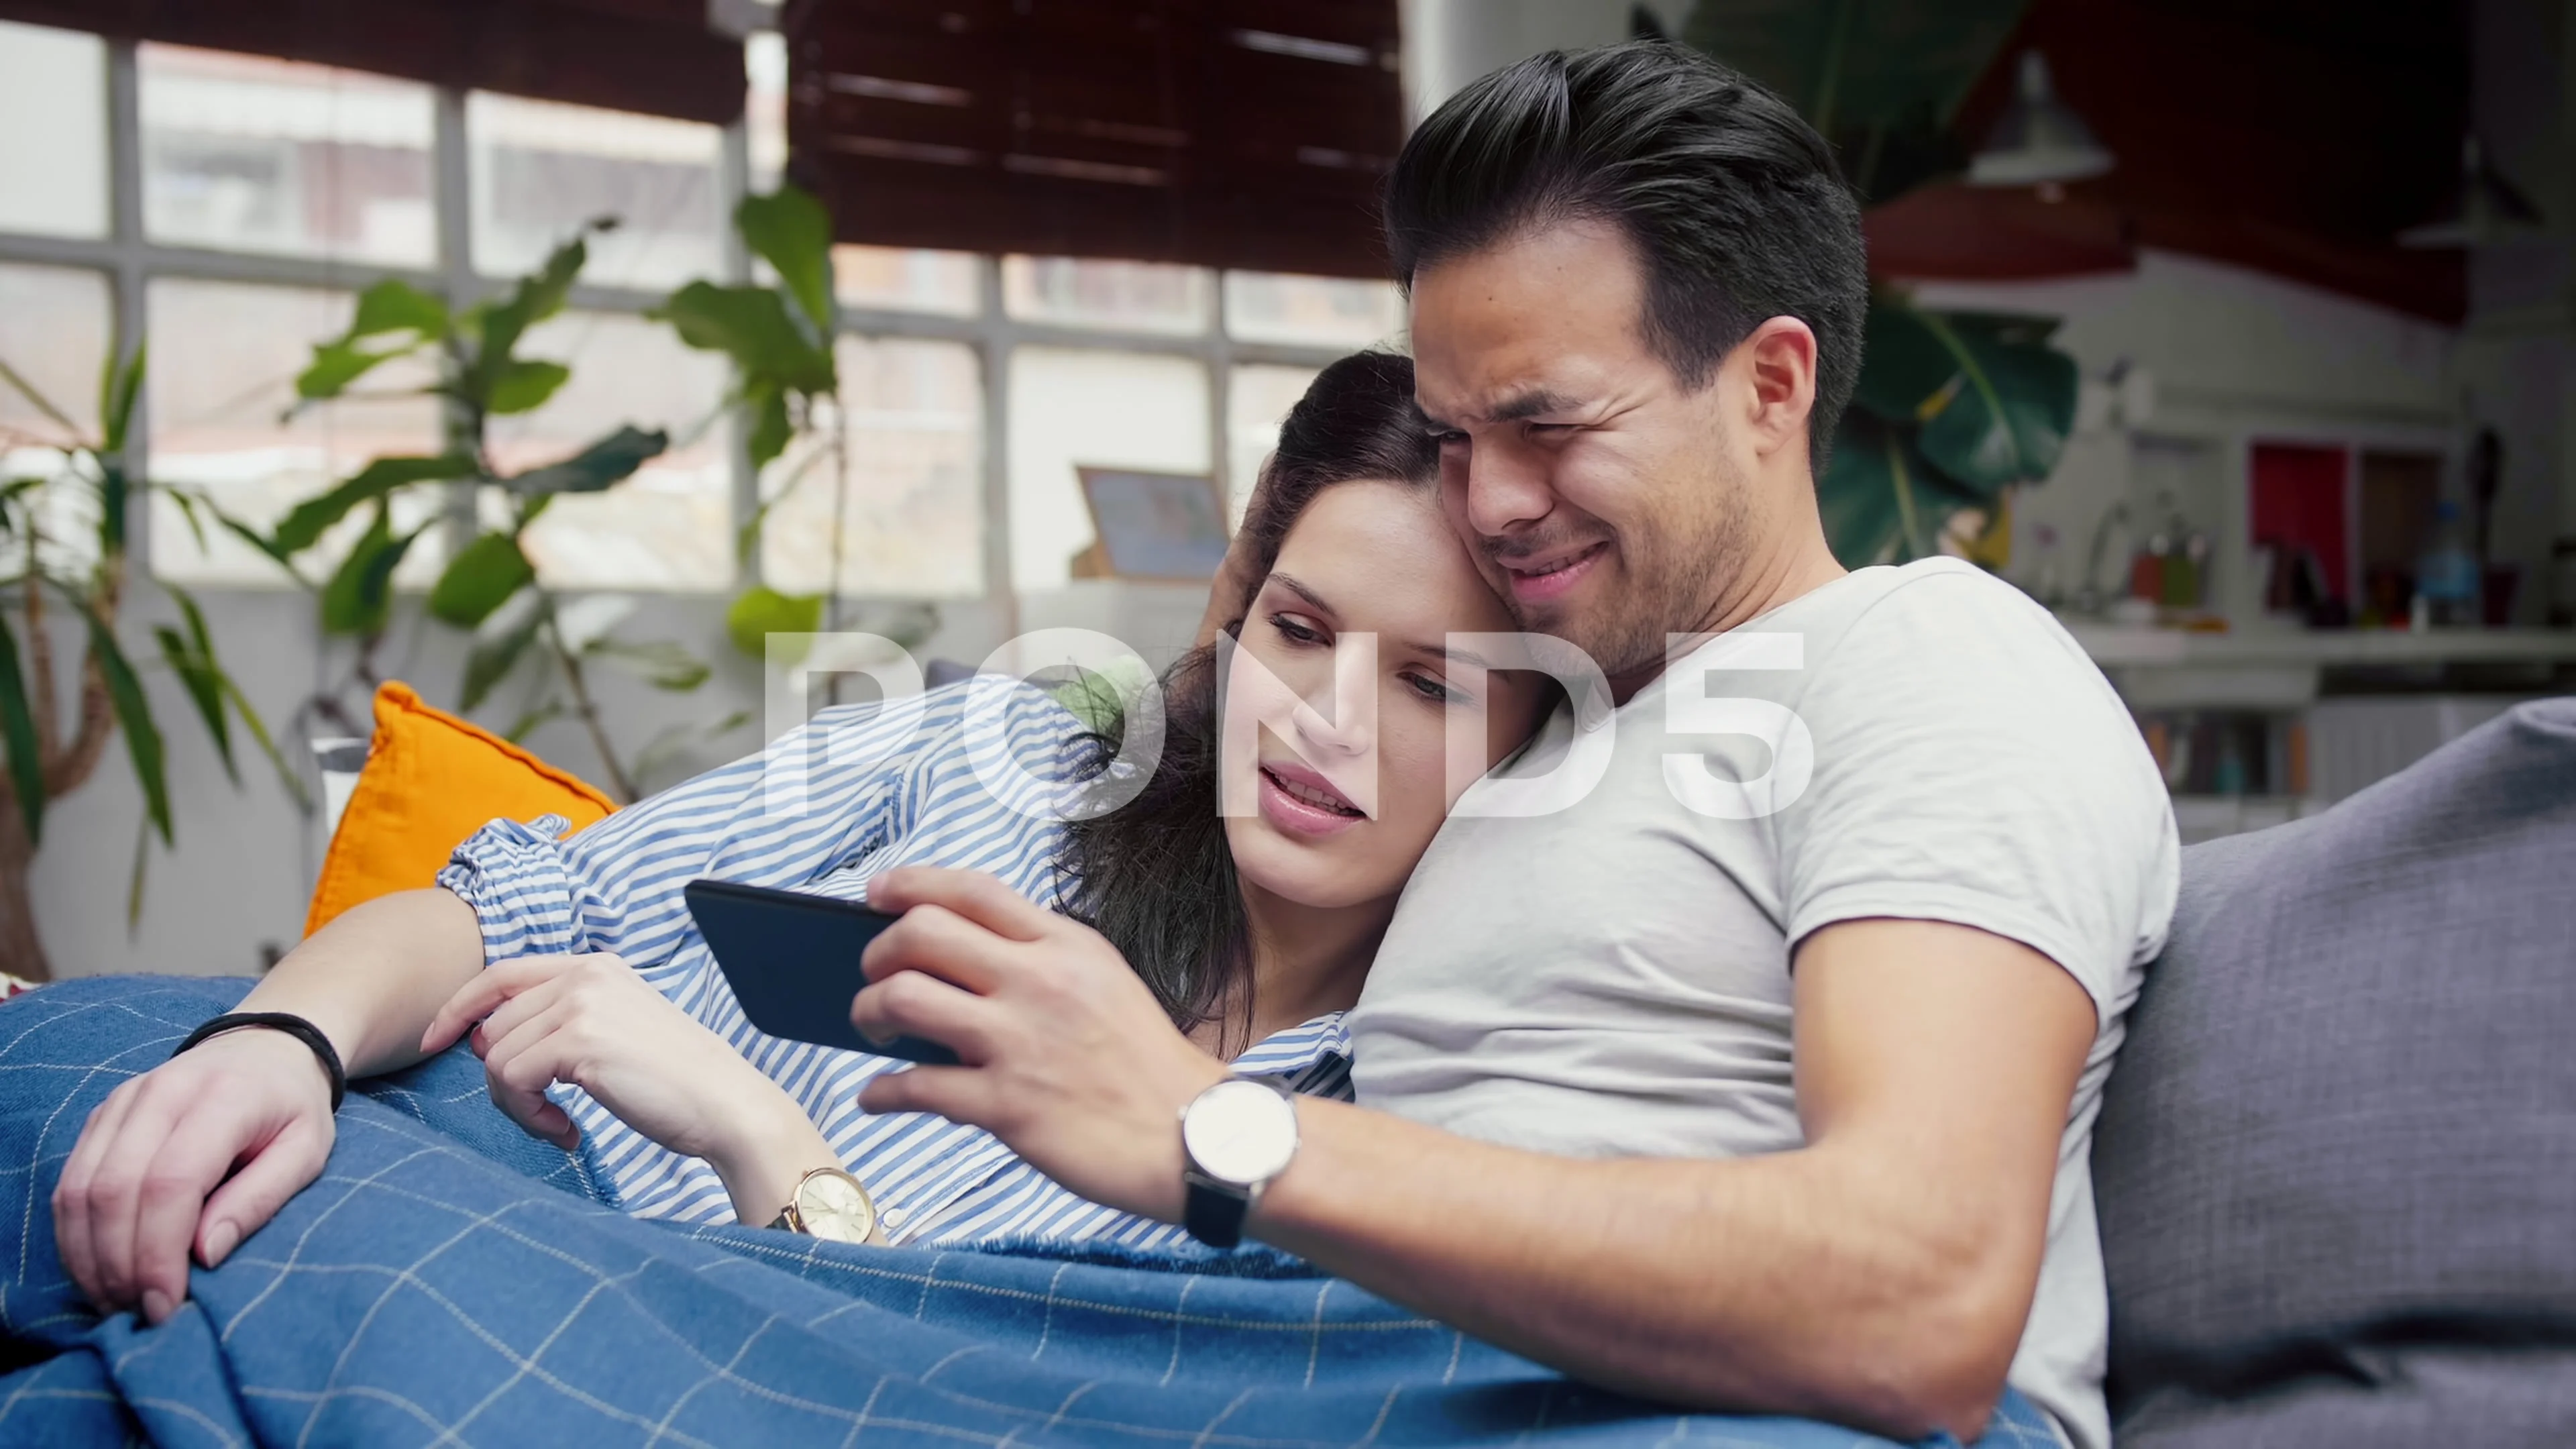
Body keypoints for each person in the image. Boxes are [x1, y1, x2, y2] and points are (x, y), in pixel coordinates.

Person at [837, 42, 2174, 1449]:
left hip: (1735, 1419)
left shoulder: (1924, 659)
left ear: (1771, 388)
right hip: (1391, 1374)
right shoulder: (1542, 722)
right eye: (1459, 434)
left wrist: (1212, 1129)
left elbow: (1924, 1302)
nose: (1490, 502)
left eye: (1546, 424)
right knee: (642, 1277)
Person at [49, 353, 1553, 1313]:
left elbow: (921, 1408)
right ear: (1235, 612)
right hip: (393, 1138)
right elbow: (519, 897)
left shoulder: (1375, 1139)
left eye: (1432, 684)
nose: (1324, 721)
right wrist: (282, 1043)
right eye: (1297, 630)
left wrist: (749, 1126)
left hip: (581, 1346)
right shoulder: (1001, 749)